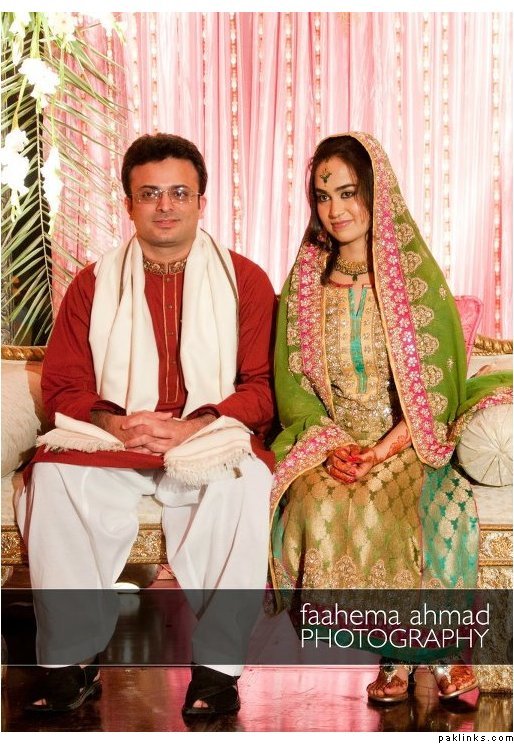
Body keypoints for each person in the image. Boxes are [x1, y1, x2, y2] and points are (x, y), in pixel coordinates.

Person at [16, 133, 276, 717]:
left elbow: (261, 388)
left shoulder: (245, 281)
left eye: (179, 193)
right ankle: (70, 664)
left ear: (202, 201)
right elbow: (63, 387)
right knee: (54, 477)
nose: (165, 206)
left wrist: (193, 427)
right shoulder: (92, 283)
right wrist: (116, 422)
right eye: (150, 193)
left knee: (246, 483)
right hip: (118, 440)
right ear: (128, 204)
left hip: (206, 438)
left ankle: (217, 671)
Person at [269, 132, 511, 704]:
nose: (336, 209)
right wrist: (331, 445)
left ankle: (429, 653)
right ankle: (395, 650)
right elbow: (293, 387)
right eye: (323, 196)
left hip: (409, 437)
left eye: (348, 192)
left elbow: (437, 392)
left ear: (377, 193)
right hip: (333, 442)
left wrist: (381, 449)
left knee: (401, 503)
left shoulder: (415, 280)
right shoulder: (303, 286)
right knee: (317, 501)